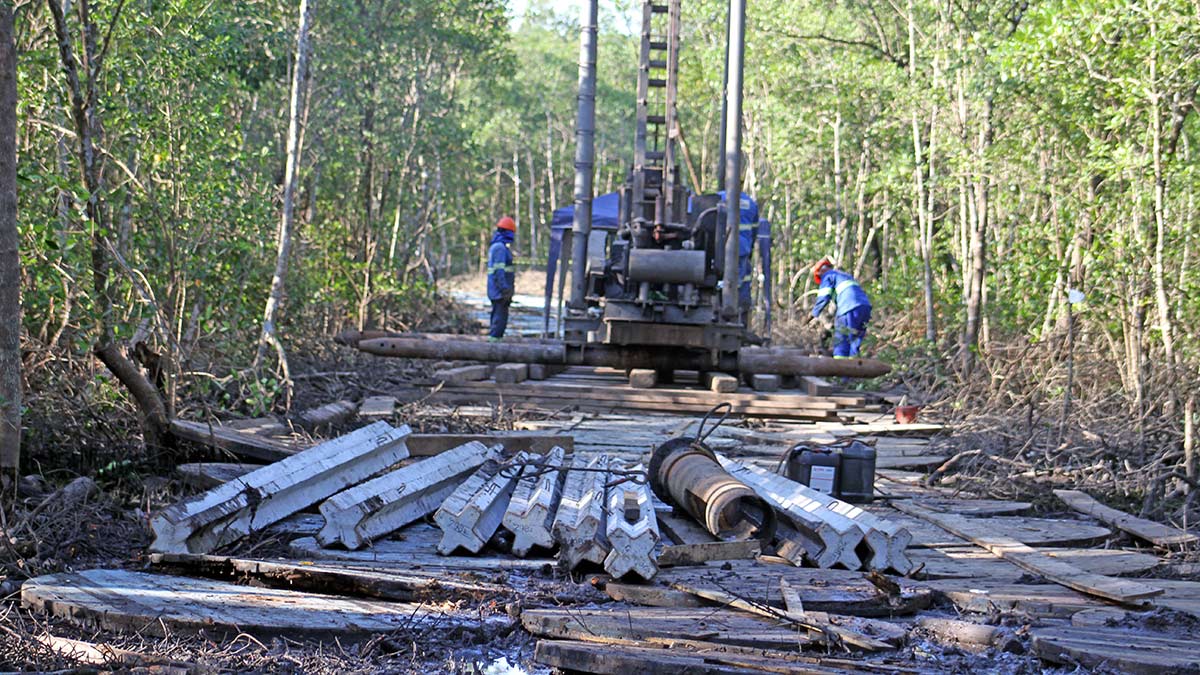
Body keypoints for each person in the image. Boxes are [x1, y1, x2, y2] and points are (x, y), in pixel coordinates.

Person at [808, 257, 871, 358]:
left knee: (842, 340)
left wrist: (814, 314)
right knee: (855, 341)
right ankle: (854, 365)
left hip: (848, 307)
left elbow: (824, 297)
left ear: (820, 272)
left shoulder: (828, 275)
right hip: (865, 307)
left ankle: (840, 366)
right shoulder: (845, 276)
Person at [487, 216, 516, 341]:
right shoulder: (499, 248)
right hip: (499, 292)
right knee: (499, 322)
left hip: (498, 291)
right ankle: (494, 347)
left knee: (499, 320)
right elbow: (499, 271)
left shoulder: (498, 246)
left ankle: (495, 343)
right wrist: (504, 289)